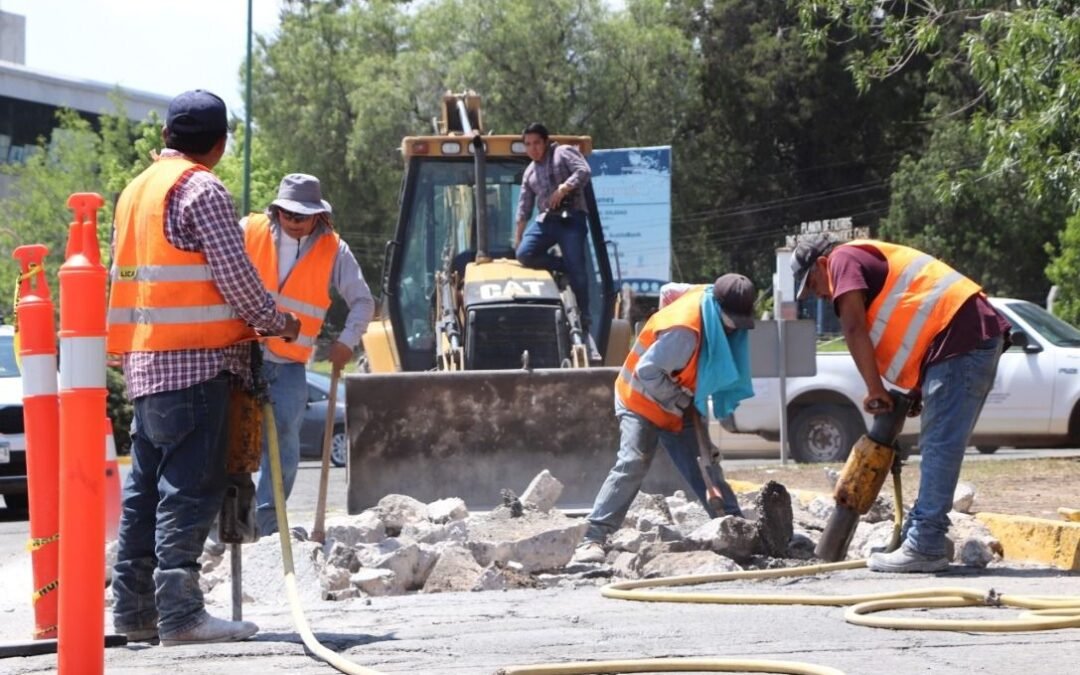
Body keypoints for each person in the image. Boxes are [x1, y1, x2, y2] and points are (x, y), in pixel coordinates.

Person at [108, 90, 300, 646]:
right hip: (196, 364)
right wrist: (276, 320)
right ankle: (181, 615)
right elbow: (237, 279)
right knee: (190, 489)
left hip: (145, 364)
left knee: (145, 491)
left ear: (168, 135)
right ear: (219, 145)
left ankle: (134, 611)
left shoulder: (135, 191)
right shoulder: (201, 188)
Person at [791, 235, 1010, 573]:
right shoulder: (860, 260)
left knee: (939, 445)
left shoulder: (842, 259)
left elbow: (852, 326)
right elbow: (916, 322)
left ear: (822, 262)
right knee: (939, 443)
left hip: (961, 336)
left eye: (813, 284)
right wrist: (919, 390)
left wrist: (874, 388)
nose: (819, 294)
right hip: (960, 338)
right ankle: (921, 537)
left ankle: (925, 545)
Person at [573, 274, 757, 564]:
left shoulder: (704, 294)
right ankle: (592, 538)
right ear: (717, 309)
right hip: (640, 399)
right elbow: (647, 372)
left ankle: (735, 528)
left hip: (676, 401)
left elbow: (669, 290)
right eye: (731, 321)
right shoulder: (684, 332)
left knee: (704, 463)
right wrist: (681, 396)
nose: (734, 330)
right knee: (633, 462)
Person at [243, 173, 374, 536]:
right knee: (229, 439)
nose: (295, 222)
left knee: (284, 442)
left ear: (319, 215)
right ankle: (230, 524)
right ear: (277, 211)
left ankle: (270, 525)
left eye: (302, 216)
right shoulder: (248, 230)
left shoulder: (334, 249)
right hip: (240, 354)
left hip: (288, 365)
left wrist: (347, 341)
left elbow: (363, 300)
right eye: (289, 215)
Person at [514, 122, 593, 328]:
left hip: (571, 218)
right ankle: (562, 265)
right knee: (524, 254)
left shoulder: (563, 152)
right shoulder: (530, 172)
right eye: (528, 144)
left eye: (537, 143)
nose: (533, 148)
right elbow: (524, 207)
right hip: (547, 221)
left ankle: (584, 315)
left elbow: (583, 171)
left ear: (545, 141)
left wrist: (564, 188)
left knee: (579, 271)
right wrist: (518, 237)